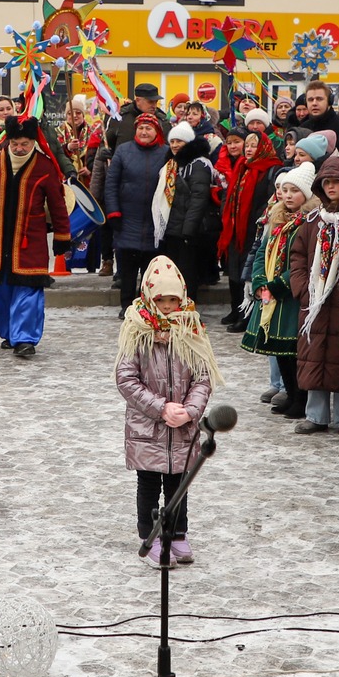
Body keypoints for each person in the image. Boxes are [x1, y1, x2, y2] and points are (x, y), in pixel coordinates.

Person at [115, 256, 218, 568]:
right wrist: (161, 408)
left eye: (174, 300)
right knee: (149, 484)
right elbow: (126, 379)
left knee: (179, 484)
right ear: (150, 297)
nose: (169, 307)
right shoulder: (137, 330)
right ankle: (151, 536)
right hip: (147, 427)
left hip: (182, 426)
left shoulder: (192, 329)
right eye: (162, 300)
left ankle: (177, 533)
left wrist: (190, 411)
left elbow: (203, 377)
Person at [0, 117, 70, 359]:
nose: (20, 148)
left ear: (34, 142)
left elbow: (57, 204)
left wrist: (62, 236)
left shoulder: (44, 166)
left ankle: (25, 339)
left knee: (28, 290)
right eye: (15, 144)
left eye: (25, 144)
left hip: (30, 241)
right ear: (8, 141)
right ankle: (10, 332)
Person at [289, 154, 339, 437]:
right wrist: (303, 289)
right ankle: (316, 414)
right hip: (314, 300)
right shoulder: (314, 219)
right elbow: (298, 255)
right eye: (326, 182)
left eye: (337, 181)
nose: (331, 187)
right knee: (313, 354)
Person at [243, 163, 316, 417]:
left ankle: (300, 398)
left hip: (291, 294)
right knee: (279, 350)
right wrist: (260, 281)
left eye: (294, 191)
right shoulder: (277, 218)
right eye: (284, 190)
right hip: (273, 293)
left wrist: (277, 285)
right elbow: (263, 251)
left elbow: (303, 261)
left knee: (294, 350)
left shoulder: (308, 222)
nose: (288, 195)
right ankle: (290, 394)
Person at [218, 117, 280, 333]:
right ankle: (236, 309)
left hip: (255, 228)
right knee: (234, 271)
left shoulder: (271, 168)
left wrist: (256, 217)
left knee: (250, 273)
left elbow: (270, 199)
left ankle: (248, 315)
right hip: (237, 228)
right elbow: (231, 195)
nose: (250, 149)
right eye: (248, 146)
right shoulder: (242, 166)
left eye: (254, 145)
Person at [105, 110, 172, 311]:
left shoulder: (166, 153)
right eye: (140, 128)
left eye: (148, 128)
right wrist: (113, 212)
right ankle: (127, 307)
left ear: (157, 131)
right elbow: (111, 184)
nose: (144, 132)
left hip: (154, 221)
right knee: (127, 269)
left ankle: (147, 306)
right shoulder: (123, 151)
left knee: (150, 270)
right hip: (127, 219)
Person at [157, 121, 219, 303]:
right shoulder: (171, 164)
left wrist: (188, 230)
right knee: (175, 271)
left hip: (188, 229)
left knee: (187, 272)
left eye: (179, 141)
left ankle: (187, 306)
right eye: (172, 141)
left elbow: (198, 199)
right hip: (173, 227)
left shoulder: (198, 164)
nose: (175, 145)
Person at [295, 81, 339, 158]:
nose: (314, 103)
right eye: (310, 100)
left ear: (329, 101)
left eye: (319, 99)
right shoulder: (301, 129)